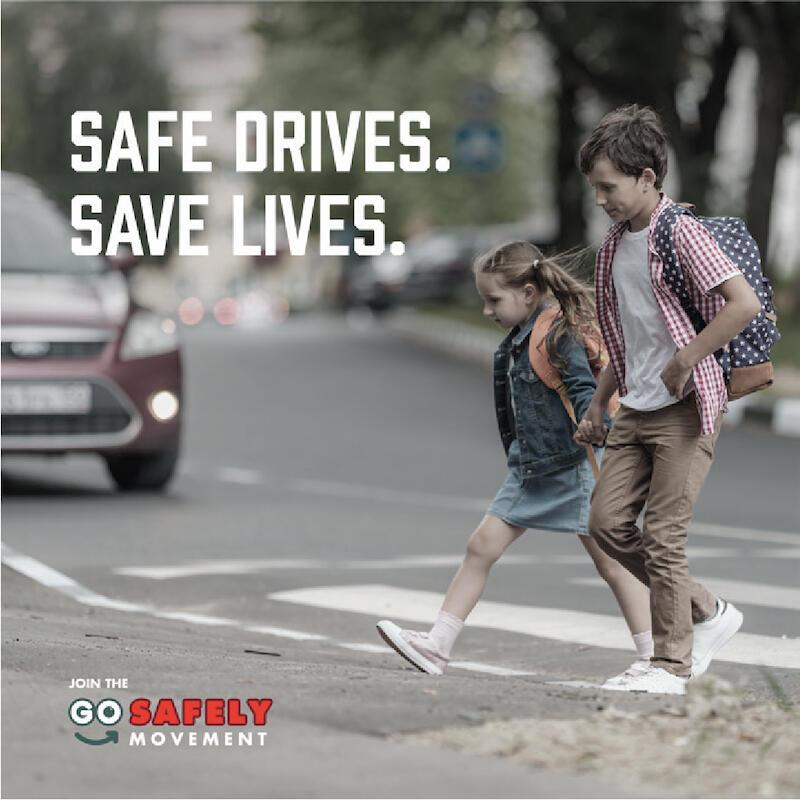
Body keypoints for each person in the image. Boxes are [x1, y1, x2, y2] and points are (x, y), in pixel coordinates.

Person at [377, 240, 653, 682]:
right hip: (532, 469)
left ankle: (654, 657)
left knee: (612, 564)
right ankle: (437, 645)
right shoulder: (518, 338)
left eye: (493, 300)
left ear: (527, 292)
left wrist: (592, 422)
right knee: (480, 547)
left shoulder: (558, 334)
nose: (487, 310)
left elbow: (589, 395)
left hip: (575, 468)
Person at [575, 104, 760, 695]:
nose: (601, 198)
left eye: (609, 187)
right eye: (595, 188)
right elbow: (623, 330)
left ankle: (671, 665)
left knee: (663, 534)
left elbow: (742, 303)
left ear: (647, 178)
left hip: (687, 408)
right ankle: (708, 612)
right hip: (636, 406)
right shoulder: (611, 247)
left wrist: (687, 358)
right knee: (605, 524)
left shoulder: (681, 232)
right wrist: (600, 401)